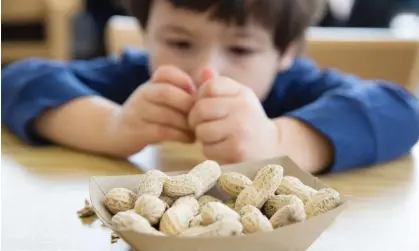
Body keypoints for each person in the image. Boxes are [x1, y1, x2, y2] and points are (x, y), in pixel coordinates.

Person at [2, 0, 419, 174]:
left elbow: (401, 109)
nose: (207, 70)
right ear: (145, 34)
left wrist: (277, 139)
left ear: (285, 52)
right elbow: (17, 80)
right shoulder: (136, 81)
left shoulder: (297, 87)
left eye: (240, 48)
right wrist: (111, 125)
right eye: (179, 43)